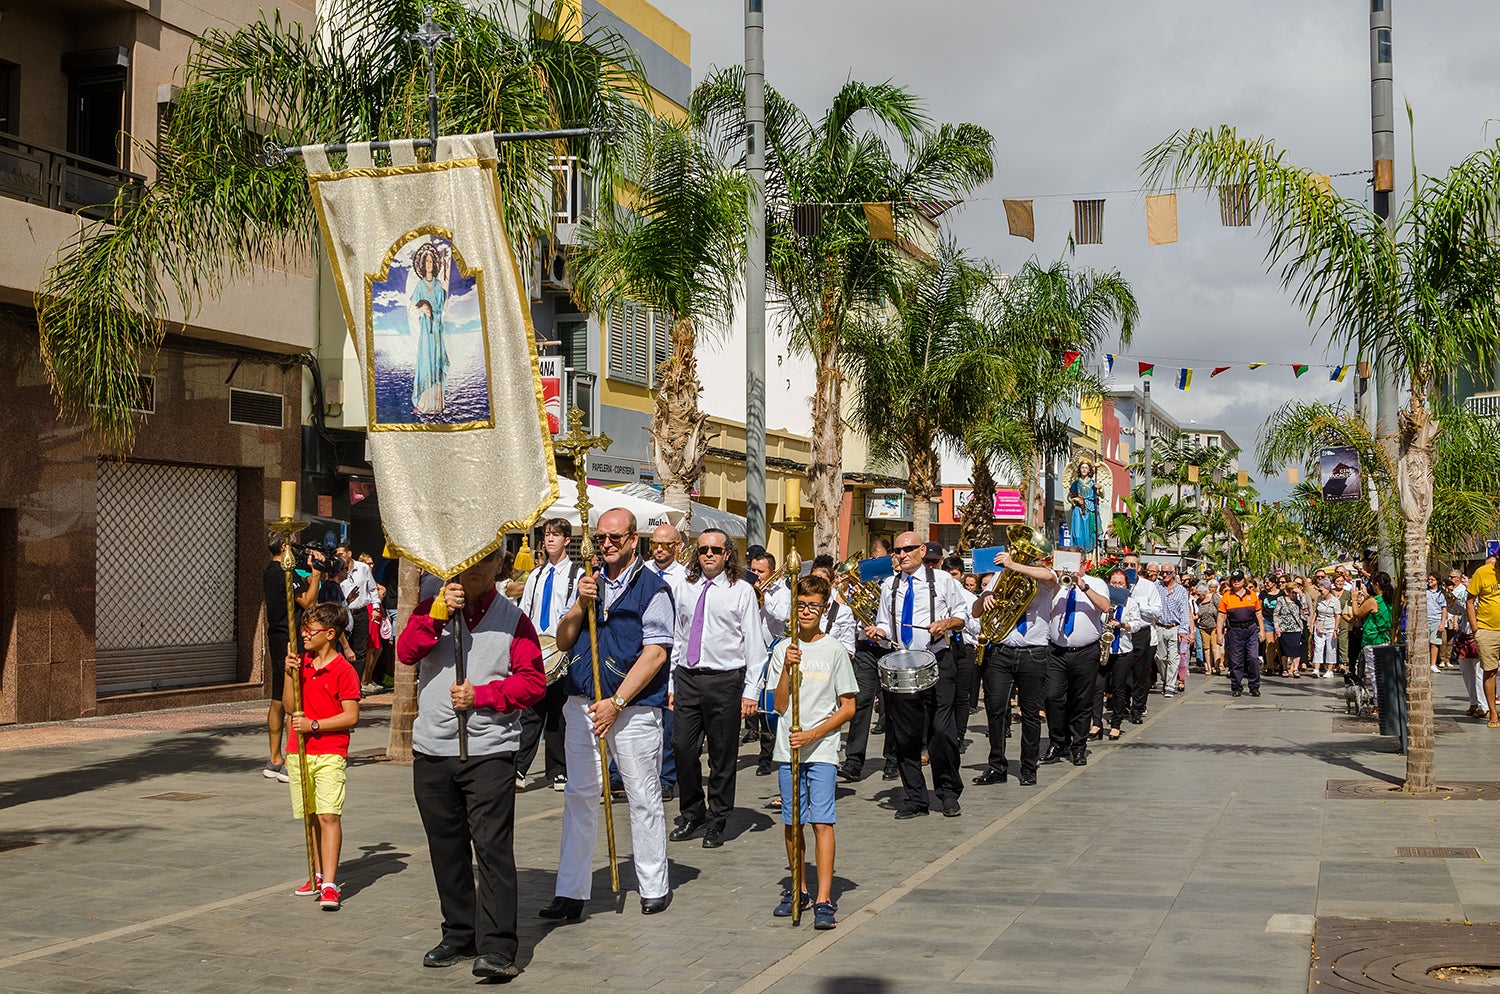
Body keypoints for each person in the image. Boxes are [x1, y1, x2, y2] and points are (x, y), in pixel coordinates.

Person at [396, 548, 546, 979]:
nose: (472, 571)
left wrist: (482, 696)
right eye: (465, 562)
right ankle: (459, 933)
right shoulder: (431, 608)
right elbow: (407, 652)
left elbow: (533, 681)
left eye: (483, 562)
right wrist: (438, 614)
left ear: (497, 566)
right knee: (446, 849)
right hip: (433, 750)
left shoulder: (513, 619)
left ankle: (498, 946)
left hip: (489, 752)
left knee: (492, 849)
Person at [541, 509, 674, 919]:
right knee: (580, 796)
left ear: (635, 539)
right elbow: (562, 639)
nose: (608, 544)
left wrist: (616, 703)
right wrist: (581, 603)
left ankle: (653, 884)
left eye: (616, 537)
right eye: (601, 538)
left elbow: (655, 653)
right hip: (582, 703)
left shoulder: (654, 589)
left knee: (642, 797)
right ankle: (570, 890)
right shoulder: (587, 582)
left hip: (632, 709)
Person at [766, 575, 858, 930]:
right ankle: (797, 888)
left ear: (824, 610)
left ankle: (823, 897)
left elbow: (848, 706)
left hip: (821, 749)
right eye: (801, 605)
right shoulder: (781, 649)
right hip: (788, 750)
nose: (806, 612)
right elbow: (777, 704)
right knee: (792, 823)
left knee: (822, 821)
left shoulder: (833, 650)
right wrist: (789, 668)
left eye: (813, 607)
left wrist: (814, 734)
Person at [669, 528, 763, 849]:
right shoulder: (685, 587)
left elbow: (754, 644)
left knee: (722, 755)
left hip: (725, 680)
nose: (709, 555)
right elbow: (679, 636)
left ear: (727, 555)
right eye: (704, 549)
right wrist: (671, 681)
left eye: (715, 550)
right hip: (688, 676)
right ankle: (692, 812)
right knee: (682, 747)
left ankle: (717, 818)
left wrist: (752, 690)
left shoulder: (741, 591)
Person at [866, 531, 971, 818]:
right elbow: (885, 624)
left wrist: (947, 622)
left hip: (938, 660)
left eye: (908, 549)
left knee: (942, 732)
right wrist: (880, 633)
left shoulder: (943, 581)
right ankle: (915, 796)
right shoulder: (889, 585)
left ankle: (948, 792)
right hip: (901, 665)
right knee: (905, 734)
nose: (901, 555)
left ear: (922, 550)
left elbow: (964, 616)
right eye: (898, 551)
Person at [283, 602, 361, 910]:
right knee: (311, 815)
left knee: (329, 814)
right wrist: (288, 673)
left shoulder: (344, 670)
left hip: (329, 750)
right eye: (303, 628)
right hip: (299, 751)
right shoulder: (300, 663)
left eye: (309, 630)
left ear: (330, 634)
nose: (304, 634)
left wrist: (314, 724)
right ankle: (315, 874)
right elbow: (290, 706)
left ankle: (329, 883)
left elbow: (351, 716)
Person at [971, 549, 1053, 787]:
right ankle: (996, 765)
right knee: (995, 710)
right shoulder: (999, 577)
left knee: (1030, 713)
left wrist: (1013, 565)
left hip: (1033, 653)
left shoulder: (1039, 576)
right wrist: (983, 598)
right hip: (1001, 652)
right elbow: (976, 612)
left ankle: (1029, 767)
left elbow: (1050, 577)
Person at [515, 518, 581, 792]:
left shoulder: (576, 574)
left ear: (567, 540)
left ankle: (558, 769)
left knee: (558, 713)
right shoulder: (536, 575)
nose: (550, 539)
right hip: (536, 651)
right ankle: (518, 767)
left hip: (563, 650)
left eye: (555, 535)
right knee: (531, 711)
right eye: (546, 535)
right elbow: (526, 611)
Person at [1040, 552, 1112, 765]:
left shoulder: (1095, 583)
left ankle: (1078, 746)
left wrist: (1083, 586)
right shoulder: (1055, 584)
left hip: (1085, 651)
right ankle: (1057, 742)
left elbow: (1105, 607)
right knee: (1053, 697)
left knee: (1081, 701)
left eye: (1074, 564)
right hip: (1057, 651)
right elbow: (1045, 607)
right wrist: (1056, 584)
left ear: (1083, 564)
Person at [264, 537, 321, 783]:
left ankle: (274, 758)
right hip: (291, 638)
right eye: (294, 545)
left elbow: (297, 589)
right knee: (293, 699)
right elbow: (307, 602)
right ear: (285, 548)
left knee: (277, 697)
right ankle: (290, 761)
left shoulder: (270, 571)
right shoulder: (286, 572)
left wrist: (307, 576)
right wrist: (317, 576)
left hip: (276, 635)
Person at [643, 523, 687, 799]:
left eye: (666, 545)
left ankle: (667, 777)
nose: (659, 549)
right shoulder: (642, 572)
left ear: (678, 547)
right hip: (645, 650)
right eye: (655, 545)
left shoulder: (686, 577)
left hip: (674, 652)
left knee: (670, 720)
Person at [748, 550, 791, 776]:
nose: (756, 575)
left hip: (774, 653)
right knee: (755, 702)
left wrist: (765, 595)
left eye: (760, 571)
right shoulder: (748, 589)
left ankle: (767, 757)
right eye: (753, 570)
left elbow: (783, 614)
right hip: (753, 652)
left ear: (772, 572)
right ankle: (762, 749)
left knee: (770, 704)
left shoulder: (783, 591)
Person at [1102, 567, 1144, 740]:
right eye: (1114, 583)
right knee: (1099, 688)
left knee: (1119, 687)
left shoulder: (1131, 603)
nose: (1117, 586)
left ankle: (1116, 724)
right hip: (1103, 648)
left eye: (1120, 583)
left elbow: (1137, 624)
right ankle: (1096, 723)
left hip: (1123, 649)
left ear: (1127, 585)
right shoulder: (1103, 600)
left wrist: (1122, 624)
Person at [1120, 551, 1162, 723]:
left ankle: (1138, 708)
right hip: (1122, 632)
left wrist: (1139, 606)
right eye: (1126, 565)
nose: (1129, 568)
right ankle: (1123, 703)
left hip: (1141, 632)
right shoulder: (1118, 584)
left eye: (1132, 565)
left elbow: (1157, 611)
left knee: (1140, 673)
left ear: (1138, 567)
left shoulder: (1148, 586)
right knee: (1123, 672)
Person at [1217, 569, 1264, 698]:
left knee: (1253, 658)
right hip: (1235, 631)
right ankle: (1236, 686)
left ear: (1244, 581)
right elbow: (1221, 616)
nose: (1236, 582)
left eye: (1239, 580)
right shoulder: (1227, 596)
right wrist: (1219, 634)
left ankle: (1254, 686)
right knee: (1236, 660)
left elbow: (1258, 614)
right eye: (1234, 580)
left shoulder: (1252, 595)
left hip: (1251, 629)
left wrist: (1262, 631)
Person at [1467, 556, 1500, 726]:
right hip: (1487, 630)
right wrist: (1476, 629)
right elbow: (1470, 601)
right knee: (1490, 671)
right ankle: (1493, 714)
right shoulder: (1483, 572)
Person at [1154, 564, 1191, 697]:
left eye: (1167, 572)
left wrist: (1183, 630)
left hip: (1174, 628)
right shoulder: (1156, 587)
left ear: (1174, 573)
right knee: (1160, 657)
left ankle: (1170, 685)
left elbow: (1184, 612)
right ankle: (1165, 679)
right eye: (1162, 572)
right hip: (1160, 627)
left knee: (1174, 658)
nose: (1164, 575)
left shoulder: (1181, 591)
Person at [1274, 575, 1306, 678]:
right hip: (1284, 627)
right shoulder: (1281, 600)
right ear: (1288, 591)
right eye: (1293, 592)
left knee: (1296, 648)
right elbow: (1276, 614)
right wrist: (1277, 627)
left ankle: (1295, 669)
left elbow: (1305, 607)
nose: (1294, 594)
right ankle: (1284, 668)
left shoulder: (1298, 600)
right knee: (1285, 650)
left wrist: (1301, 594)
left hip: (1296, 627)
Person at [1068, 460, 1101, 554]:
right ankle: (1077, 555)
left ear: (1089, 470)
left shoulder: (1093, 483)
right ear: (1079, 469)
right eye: (1082, 467)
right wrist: (1074, 500)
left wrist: (1100, 487)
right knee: (1077, 535)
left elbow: (1101, 495)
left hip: (1090, 510)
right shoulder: (1076, 483)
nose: (1084, 469)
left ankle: (1089, 558)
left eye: (1086, 468)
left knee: (1088, 536)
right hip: (1078, 510)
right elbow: (1069, 497)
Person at [1310, 581, 1340, 678]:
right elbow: (1316, 612)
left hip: (1331, 627)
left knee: (1331, 648)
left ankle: (1330, 669)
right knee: (1318, 648)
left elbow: (1338, 616)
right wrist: (1312, 624)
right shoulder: (1319, 599)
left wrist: (1335, 629)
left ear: (1328, 590)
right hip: (1319, 626)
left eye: (1321, 590)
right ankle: (1316, 669)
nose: (1320, 592)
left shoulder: (1335, 601)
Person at [1194, 584, 1221, 676]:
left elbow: (1221, 611)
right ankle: (1209, 667)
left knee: (1215, 646)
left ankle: (1217, 667)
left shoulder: (1214, 597)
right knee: (1206, 648)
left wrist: (1221, 626)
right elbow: (1197, 613)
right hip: (1203, 627)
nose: (1197, 596)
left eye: (1199, 594)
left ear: (1204, 592)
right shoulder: (1198, 601)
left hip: (1214, 626)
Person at [1425, 573, 1449, 674]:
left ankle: (1433, 663)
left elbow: (1444, 609)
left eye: (1432, 579)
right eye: (1429, 579)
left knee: (1435, 643)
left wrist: (1442, 623)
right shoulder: (1425, 592)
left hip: (1436, 619)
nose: (1430, 581)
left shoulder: (1441, 594)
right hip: (1426, 619)